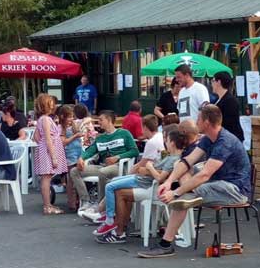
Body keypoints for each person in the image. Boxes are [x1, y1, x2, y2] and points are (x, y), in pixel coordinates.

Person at [139, 104, 250, 258]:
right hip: (218, 184)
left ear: (206, 122)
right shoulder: (208, 139)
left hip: (235, 190)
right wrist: (168, 182)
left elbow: (205, 174)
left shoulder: (224, 141)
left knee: (185, 194)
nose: (195, 122)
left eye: (198, 119)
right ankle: (167, 241)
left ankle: (166, 244)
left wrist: (176, 192)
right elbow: (187, 161)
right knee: (182, 170)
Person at [95, 127, 185, 243]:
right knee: (113, 184)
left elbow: (161, 176)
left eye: (166, 140)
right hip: (146, 182)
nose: (164, 142)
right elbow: (161, 172)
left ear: (172, 143)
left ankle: (113, 223)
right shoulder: (171, 157)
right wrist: (148, 169)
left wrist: (149, 168)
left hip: (148, 186)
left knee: (116, 190)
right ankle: (114, 223)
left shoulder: (172, 159)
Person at [84, 114, 165, 223]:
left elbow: (141, 164)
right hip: (148, 178)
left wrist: (131, 171)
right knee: (114, 183)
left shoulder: (151, 142)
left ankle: (108, 218)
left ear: (145, 127)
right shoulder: (160, 137)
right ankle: (101, 212)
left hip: (145, 180)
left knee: (112, 186)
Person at [70, 110, 139, 216]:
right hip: (102, 166)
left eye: (101, 120)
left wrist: (118, 157)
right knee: (74, 171)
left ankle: (101, 206)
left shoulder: (124, 133)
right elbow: (90, 151)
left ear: (109, 120)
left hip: (119, 166)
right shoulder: (100, 138)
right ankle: (86, 201)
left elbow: (134, 151)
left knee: (103, 172)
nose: (99, 122)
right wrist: (81, 158)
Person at [33, 94, 68, 215]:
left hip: (44, 150)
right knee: (46, 178)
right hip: (48, 152)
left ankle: (48, 205)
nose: (53, 105)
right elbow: (47, 138)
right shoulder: (46, 119)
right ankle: (47, 206)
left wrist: (43, 146)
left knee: (45, 178)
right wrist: (53, 156)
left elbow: (36, 137)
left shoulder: (41, 119)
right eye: (51, 102)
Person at [58, 105, 84, 211]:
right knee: (71, 180)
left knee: (78, 177)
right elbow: (63, 142)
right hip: (69, 155)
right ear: (63, 117)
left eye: (72, 116)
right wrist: (75, 136)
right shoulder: (61, 127)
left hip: (78, 153)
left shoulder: (73, 125)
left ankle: (78, 200)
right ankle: (72, 202)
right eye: (69, 117)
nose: (71, 119)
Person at [212, 71, 244, 142]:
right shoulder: (217, 100)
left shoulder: (230, 101)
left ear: (219, 82)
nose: (212, 84)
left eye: (213, 81)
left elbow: (229, 123)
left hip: (231, 139)